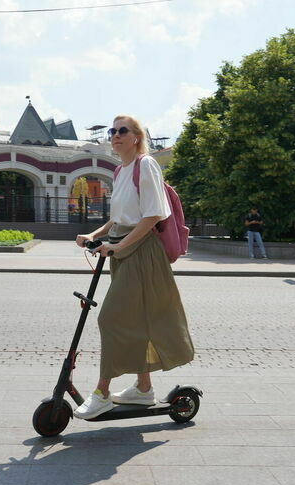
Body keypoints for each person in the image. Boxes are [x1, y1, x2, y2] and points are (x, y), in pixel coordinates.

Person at [72, 114, 195, 420]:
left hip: (142, 253)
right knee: (136, 321)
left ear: (137, 137)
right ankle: (143, 389)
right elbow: (120, 215)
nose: (115, 135)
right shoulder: (120, 170)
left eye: (122, 130)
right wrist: (96, 235)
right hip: (123, 250)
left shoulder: (145, 164)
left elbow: (153, 215)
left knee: (111, 319)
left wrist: (119, 246)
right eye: (112, 131)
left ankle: (102, 393)